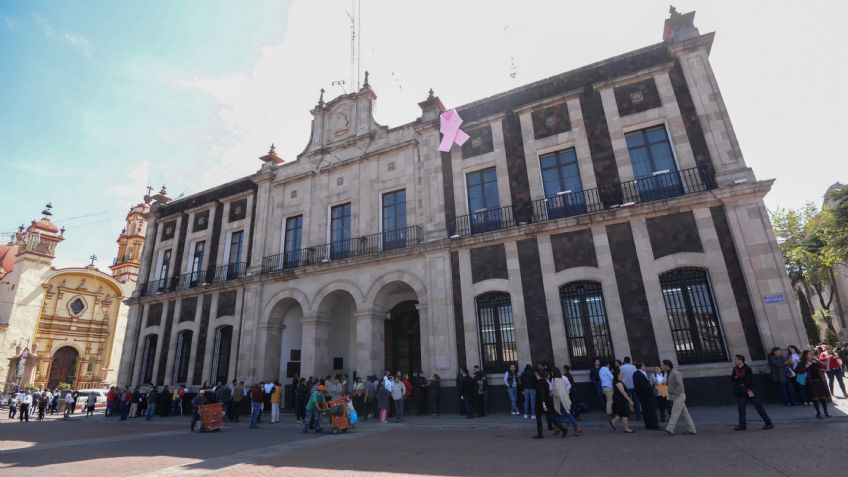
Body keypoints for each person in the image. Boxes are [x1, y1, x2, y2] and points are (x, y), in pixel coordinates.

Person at [731, 354, 774, 431]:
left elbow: (749, 379)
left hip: (749, 390)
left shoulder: (747, 368)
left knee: (758, 406)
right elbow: (733, 378)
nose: (735, 361)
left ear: (740, 360)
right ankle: (742, 425)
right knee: (741, 407)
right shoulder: (735, 369)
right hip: (741, 391)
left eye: (736, 359)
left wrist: (739, 378)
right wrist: (739, 378)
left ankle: (768, 423)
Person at [663, 360, 696, 435]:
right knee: (685, 413)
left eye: (663, 365)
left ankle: (670, 428)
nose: (662, 366)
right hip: (676, 395)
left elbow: (680, 385)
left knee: (675, 412)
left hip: (679, 395)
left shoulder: (675, 372)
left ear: (667, 365)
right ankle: (692, 429)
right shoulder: (669, 373)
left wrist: (675, 393)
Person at [532, 370, 568, 439]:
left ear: (539, 376)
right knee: (551, 418)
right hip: (546, 402)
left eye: (537, 375)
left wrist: (543, 404)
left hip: (541, 404)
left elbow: (542, 394)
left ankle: (540, 434)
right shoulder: (545, 382)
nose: (536, 376)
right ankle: (563, 429)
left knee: (539, 419)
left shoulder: (540, 383)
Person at [551, 368, 582, 435]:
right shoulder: (564, 378)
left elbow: (554, 389)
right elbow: (568, 385)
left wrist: (552, 392)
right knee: (563, 413)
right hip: (564, 398)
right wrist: (566, 392)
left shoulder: (555, 380)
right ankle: (559, 427)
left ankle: (575, 427)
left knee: (560, 413)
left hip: (558, 399)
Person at [805, 350, 832, 418]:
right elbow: (799, 370)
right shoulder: (803, 362)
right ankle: (818, 413)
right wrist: (807, 365)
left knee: (823, 397)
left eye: (811, 354)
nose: (810, 355)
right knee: (815, 398)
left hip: (820, 381)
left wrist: (817, 362)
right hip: (811, 382)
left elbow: (824, 366)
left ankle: (826, 412)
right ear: (805, 355)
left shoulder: (815, 360)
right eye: (809, 354)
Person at [633, 362, 659, 430]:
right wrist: (650, 392)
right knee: (651, 411)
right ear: (641, 366)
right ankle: (654, 425)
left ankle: (648, 425)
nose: (645, 367)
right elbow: (644, 387)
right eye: (644, 365)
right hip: (647, 396)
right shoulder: (640, 375)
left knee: (645, 411)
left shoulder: (635, 374)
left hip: (642, 396)